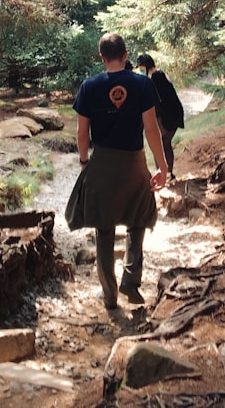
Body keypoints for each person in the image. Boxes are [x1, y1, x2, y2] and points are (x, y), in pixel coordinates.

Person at [66, 33, 169, 310]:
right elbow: (150, 129)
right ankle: (131, 279)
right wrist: (161, 166)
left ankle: (109, 295)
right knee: (140, 217)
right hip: (134, 163)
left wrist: (85, 162)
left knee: (104, 227)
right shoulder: (142, 83)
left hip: (102, 164)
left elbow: (82, 132)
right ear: (125, 55)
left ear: (102, 58)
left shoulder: (89, 86)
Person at [135, 53, 185, 182]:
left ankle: (163, 175)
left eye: (141, 67)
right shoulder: (159, 75)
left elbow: (158, 103)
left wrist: (155, 122)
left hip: (169, 117)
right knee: (165, 145)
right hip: (173, 115)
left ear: (146, 66)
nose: (140, 70)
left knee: (160, 145)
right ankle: (167, 174)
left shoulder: (156, 78)